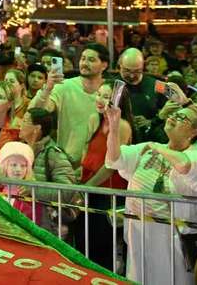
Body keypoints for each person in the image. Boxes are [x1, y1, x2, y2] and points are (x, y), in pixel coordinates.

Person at [105, 103, 197, 285]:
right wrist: (114, 126)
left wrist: (159, 148)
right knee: (138, 277)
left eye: (182, 118)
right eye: (174, 114)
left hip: (171, 234)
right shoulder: (149, 147)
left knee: (170, 279)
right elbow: (115, 158)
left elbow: (184, 165)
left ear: (193, 132)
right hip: (138, 229)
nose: (174, 117)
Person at [75, 80, 133, 269]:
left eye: (106, 96)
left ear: (118, 101)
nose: (100, 99)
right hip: (89, 191)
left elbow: (112, 165)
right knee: (84, 247)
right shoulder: (96, 120)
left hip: (108, 195)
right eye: (99, 94)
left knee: (101, 250)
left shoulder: (122, 126)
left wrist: (87, 187)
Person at [29, 43, 109, 167]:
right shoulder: (64, 86)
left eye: (91, 60)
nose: (84, 63)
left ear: (104, 65)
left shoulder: (109, 91)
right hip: (66, 162)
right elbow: (36, 110)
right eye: (83, 58)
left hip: (99, 163)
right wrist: (48, 88)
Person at [18, 107, 78, 234]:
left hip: (47, 227)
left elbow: (67, 191)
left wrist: (33, 190)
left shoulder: (54, 154)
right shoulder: (21, 149)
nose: (20, 124)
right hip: (24, 221)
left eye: (25, 121)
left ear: (37, 128)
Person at [118, 48, 166, 143]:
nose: (132, 76)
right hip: (120, 139)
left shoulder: (158, 84)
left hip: (150, 140)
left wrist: (151, 122)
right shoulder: (111, 85)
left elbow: (172, 107)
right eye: (127, 71)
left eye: (137, 71)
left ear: (143, 67)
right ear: (120, 66)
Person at [0, 141, 39, 221]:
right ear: (5, 167)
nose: (18, 170)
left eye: (23, 166)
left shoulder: (30, 194)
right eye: (14, 165)